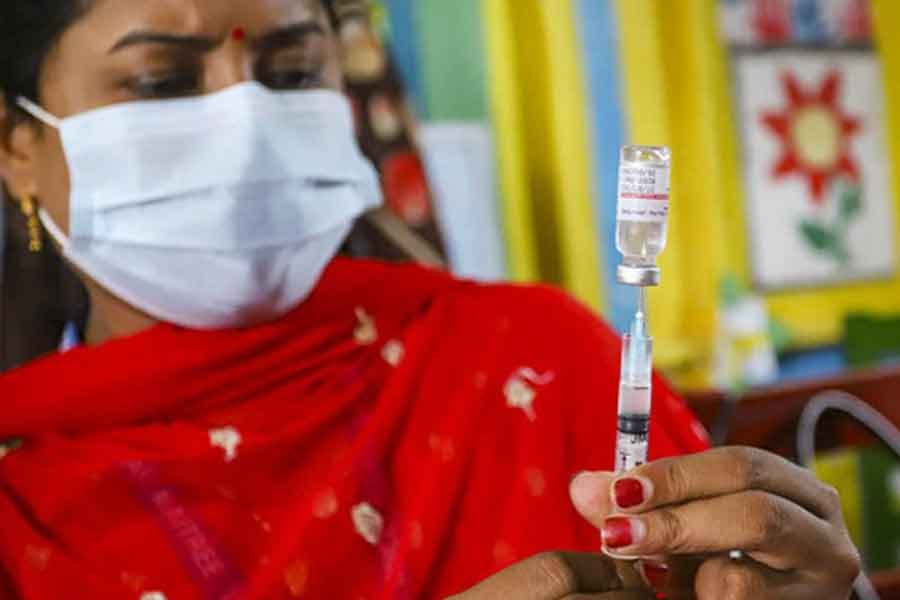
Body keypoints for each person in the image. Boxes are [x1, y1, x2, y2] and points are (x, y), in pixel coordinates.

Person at [0, 1, 860, 598]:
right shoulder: (20, 505)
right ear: (18, 147)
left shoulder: (536, 358)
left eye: (293, 71)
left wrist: (817, 588)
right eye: (162, 84)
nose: (250, 122)